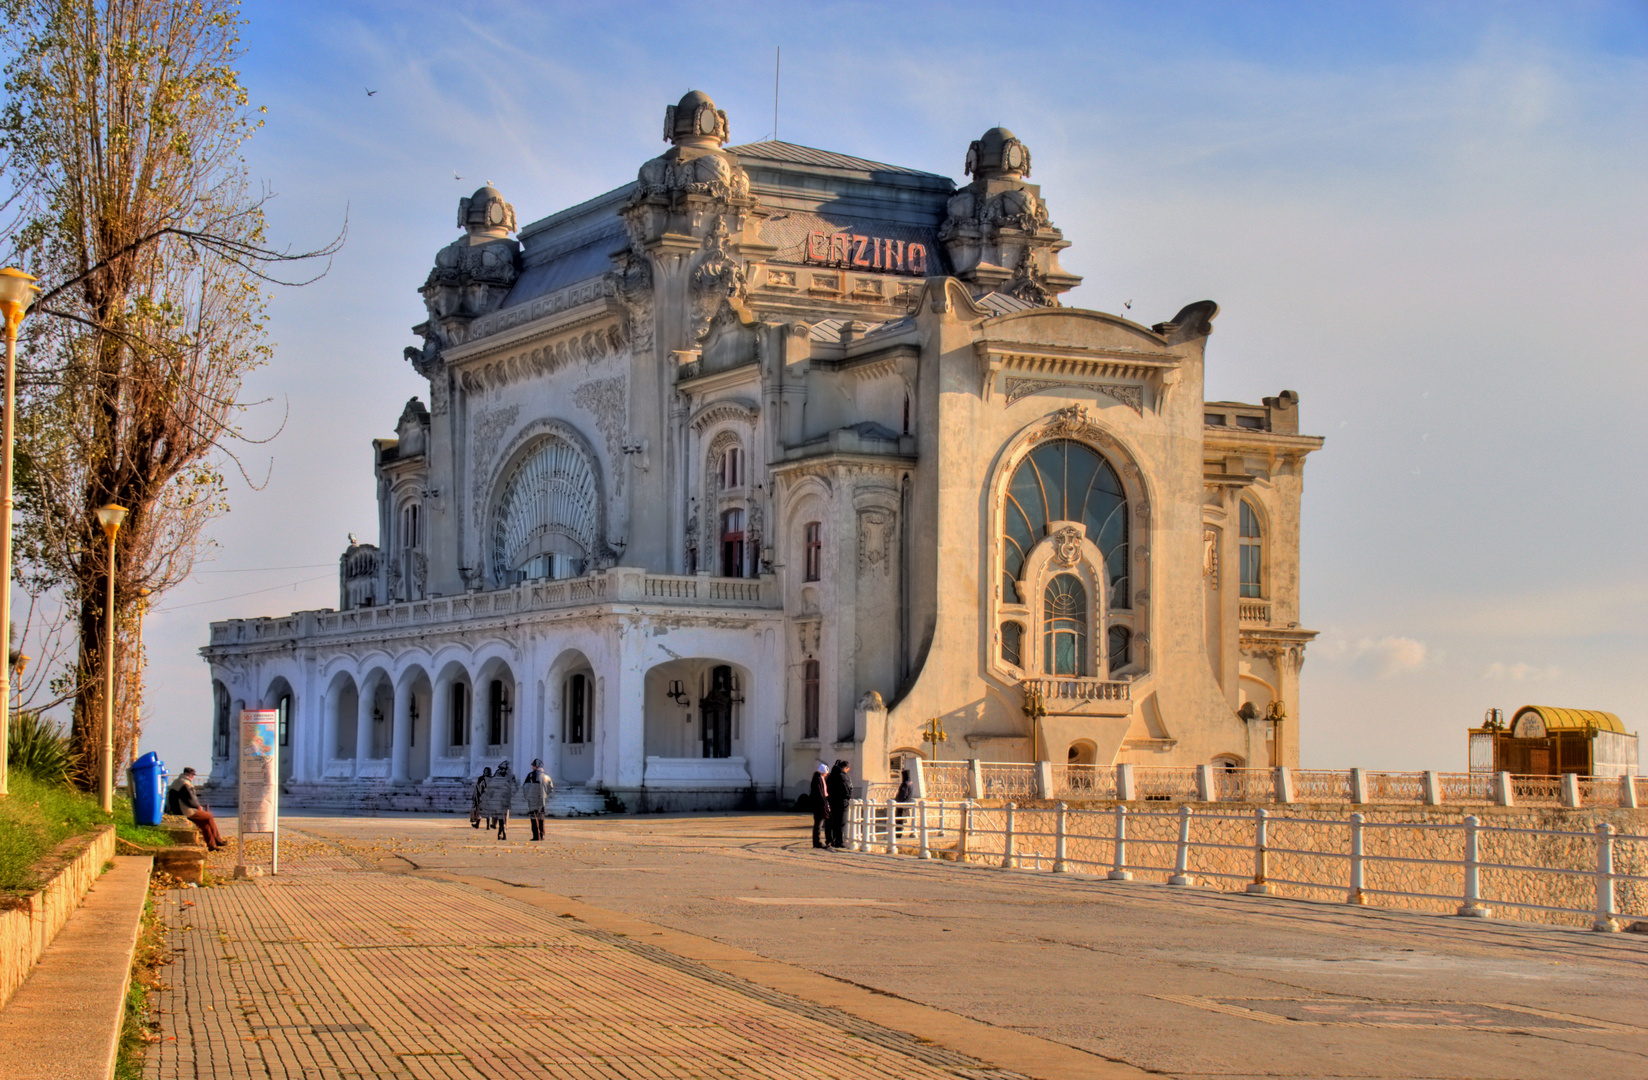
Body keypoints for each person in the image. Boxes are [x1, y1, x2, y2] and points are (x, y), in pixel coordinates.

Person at [165, 767, 224, 851]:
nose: (193, 777)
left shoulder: (178, 781)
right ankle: (218, 840)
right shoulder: (184, 783)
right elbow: (189, 799)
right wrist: (198, 807)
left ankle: (212, 846)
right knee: (209, 816)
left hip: (177, 810)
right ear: (188, 774)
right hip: (185, 811)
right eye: (192, 775)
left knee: (205, 824)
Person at [477, 759, 518, 840]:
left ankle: (501, 832)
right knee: (502, 816)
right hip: (499, 799)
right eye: (501, 768)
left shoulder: (508, 776)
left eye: (503, 768)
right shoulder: (501, 776)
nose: (501, 770)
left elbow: (514, 788)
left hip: (502, 799)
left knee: (502, 816)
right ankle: (502, 831)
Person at [522, 759, 553, 841]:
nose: (532, 767)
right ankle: (542, 835)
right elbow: (550, 788)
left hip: (532, 799)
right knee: (541, 817)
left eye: (533, 766)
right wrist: (545, 795)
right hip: (542, 799)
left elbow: (525, 787)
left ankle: (536, 836)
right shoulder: (546, 776)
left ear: (536, 766)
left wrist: (527, 796)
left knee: (533, 817)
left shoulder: (530, 775)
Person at [825, 759, 852, 849]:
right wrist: (848, 797)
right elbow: (847, 790)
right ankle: (839, 841)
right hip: (841, 802)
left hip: (831, 801)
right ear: (845, 768)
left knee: (832, 821)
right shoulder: (844, 777)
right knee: (841, 822)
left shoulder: (830, 776)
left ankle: (830, 840)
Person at [809, 763, 829, 849]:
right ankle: (817, 842)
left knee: (818, 823)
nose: (826, 775)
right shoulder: (818, 779)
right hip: (818, 804)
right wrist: (824, 802)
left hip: (817, 803)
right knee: (818, 823)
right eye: (826, 773)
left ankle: (817, 841)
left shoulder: (817, 778)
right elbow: (820, 793)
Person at [894, 768, 912, 838]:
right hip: (906, 803)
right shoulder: (910, 783)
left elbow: (903, 794)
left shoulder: (905, 784)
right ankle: (899, 833)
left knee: (899, 820)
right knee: (901, 820)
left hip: (901, 804)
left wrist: (897, 800)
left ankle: (898, 834)